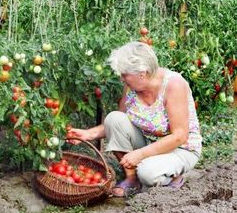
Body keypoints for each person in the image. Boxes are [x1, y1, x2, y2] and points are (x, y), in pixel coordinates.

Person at [67, 41, 202, 197]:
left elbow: (180, 136)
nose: (121, 79)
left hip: (180, 148)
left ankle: (173, 176)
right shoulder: (132, 86)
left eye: (124, 74)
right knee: (114, 118)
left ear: (142, 73)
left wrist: (140, 154)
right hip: (149, 141)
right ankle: (132, 179)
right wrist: (87, 134)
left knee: (147, 173)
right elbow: (118, 123)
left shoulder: (173, 85)